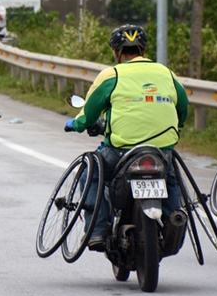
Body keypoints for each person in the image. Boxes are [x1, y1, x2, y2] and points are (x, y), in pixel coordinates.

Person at [66, 24, 188, 250]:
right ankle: (175, 222)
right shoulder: (167, 73)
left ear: (116, 52)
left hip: (121, 152)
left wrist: (75, 123)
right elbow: (183, 108)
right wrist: (176, 126)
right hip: (161, 151)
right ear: (143, 49)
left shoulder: (111, 75)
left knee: (90, 171)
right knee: (171, 177)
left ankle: (97, 230)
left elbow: (88, 113)